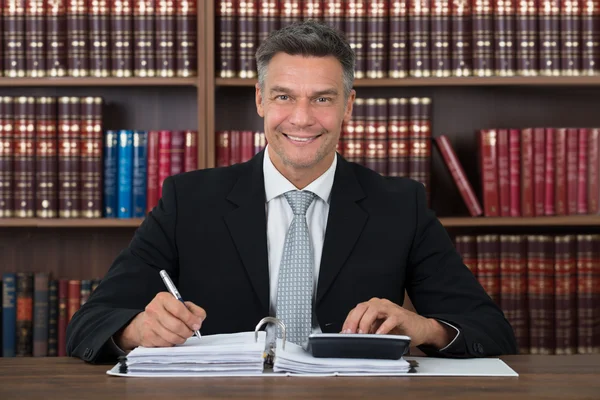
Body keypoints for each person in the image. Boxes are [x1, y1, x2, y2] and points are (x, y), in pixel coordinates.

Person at [66, 20, 517, 363]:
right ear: (260, 100)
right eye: (284, 97)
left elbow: (491, 330)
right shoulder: (188, 199)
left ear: (348, 106)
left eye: (322, 98)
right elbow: (88, 324)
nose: (301, 118)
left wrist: (424, 328)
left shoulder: (401, 204)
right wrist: (136, 331)